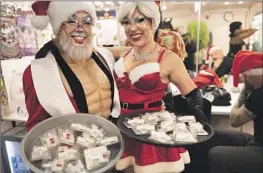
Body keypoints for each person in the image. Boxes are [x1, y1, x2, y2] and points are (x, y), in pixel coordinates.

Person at [109, 2, 208, 173]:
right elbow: (92, 50)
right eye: (126, 22)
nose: (132, 28)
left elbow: (192, 92)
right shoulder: (124, 52)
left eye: (140, 20)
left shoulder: (168, 58)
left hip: (151, 133)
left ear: (153, 22)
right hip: (122, 126)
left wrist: (198, 112)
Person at [22, 1, 120, 131]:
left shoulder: (105, 57)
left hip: (114, 138)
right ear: (58, 28)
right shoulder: (38, 73)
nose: (80, 28)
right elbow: (37, 127)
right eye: (71, 21)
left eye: (87, 22)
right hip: (76, 146)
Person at [208, 50, 263, 173]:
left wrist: (246, 89)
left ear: (250, 76)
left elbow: (234, 120)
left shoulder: (259, 94)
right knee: (214, 135)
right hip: (257, 140)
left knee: (216, 155)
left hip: (260, 147)